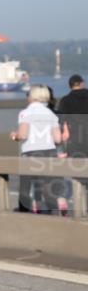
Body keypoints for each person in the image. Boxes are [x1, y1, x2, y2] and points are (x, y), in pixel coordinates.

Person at [10, 84, 66, 214]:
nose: (27, 97)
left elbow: (23, 135)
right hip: (50, 152)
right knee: (48, 184)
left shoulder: (25, 113)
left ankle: (28, 210)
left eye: (28, 94)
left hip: (31, 153)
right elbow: (58, 139)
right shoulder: (51, 114)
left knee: (26, 186)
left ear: (33, 97)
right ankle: (58, 204)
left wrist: (14, 136)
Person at [58, 74, 88, 217]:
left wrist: (64, 136)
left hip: (75, 143)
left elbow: (62, 123)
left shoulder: (65, 101)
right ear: (82, 83)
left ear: (70, 85)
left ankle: (79, 210)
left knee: (76, 176)